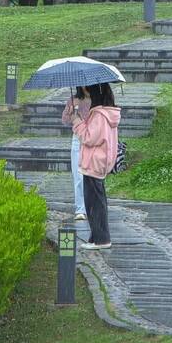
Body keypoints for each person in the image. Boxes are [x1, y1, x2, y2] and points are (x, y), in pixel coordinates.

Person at [71, 82, 121, 250]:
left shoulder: (99, 115)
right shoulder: (105, 113)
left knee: (94, 202)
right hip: (97, 162)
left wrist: (77, 122)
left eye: (87, 89)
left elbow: (89, 137)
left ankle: (102, 239)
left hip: (94, 162)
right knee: (96, 200)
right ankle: (95, 237)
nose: (85, 91)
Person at [62, 86, 90, 221]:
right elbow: (65, 120)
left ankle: (92, 207)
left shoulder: (96, 100)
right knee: (78, 177)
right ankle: (80, 209)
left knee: (91, 175)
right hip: (77, 141)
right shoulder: (73, 100)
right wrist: (70, 111)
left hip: (91, 141)